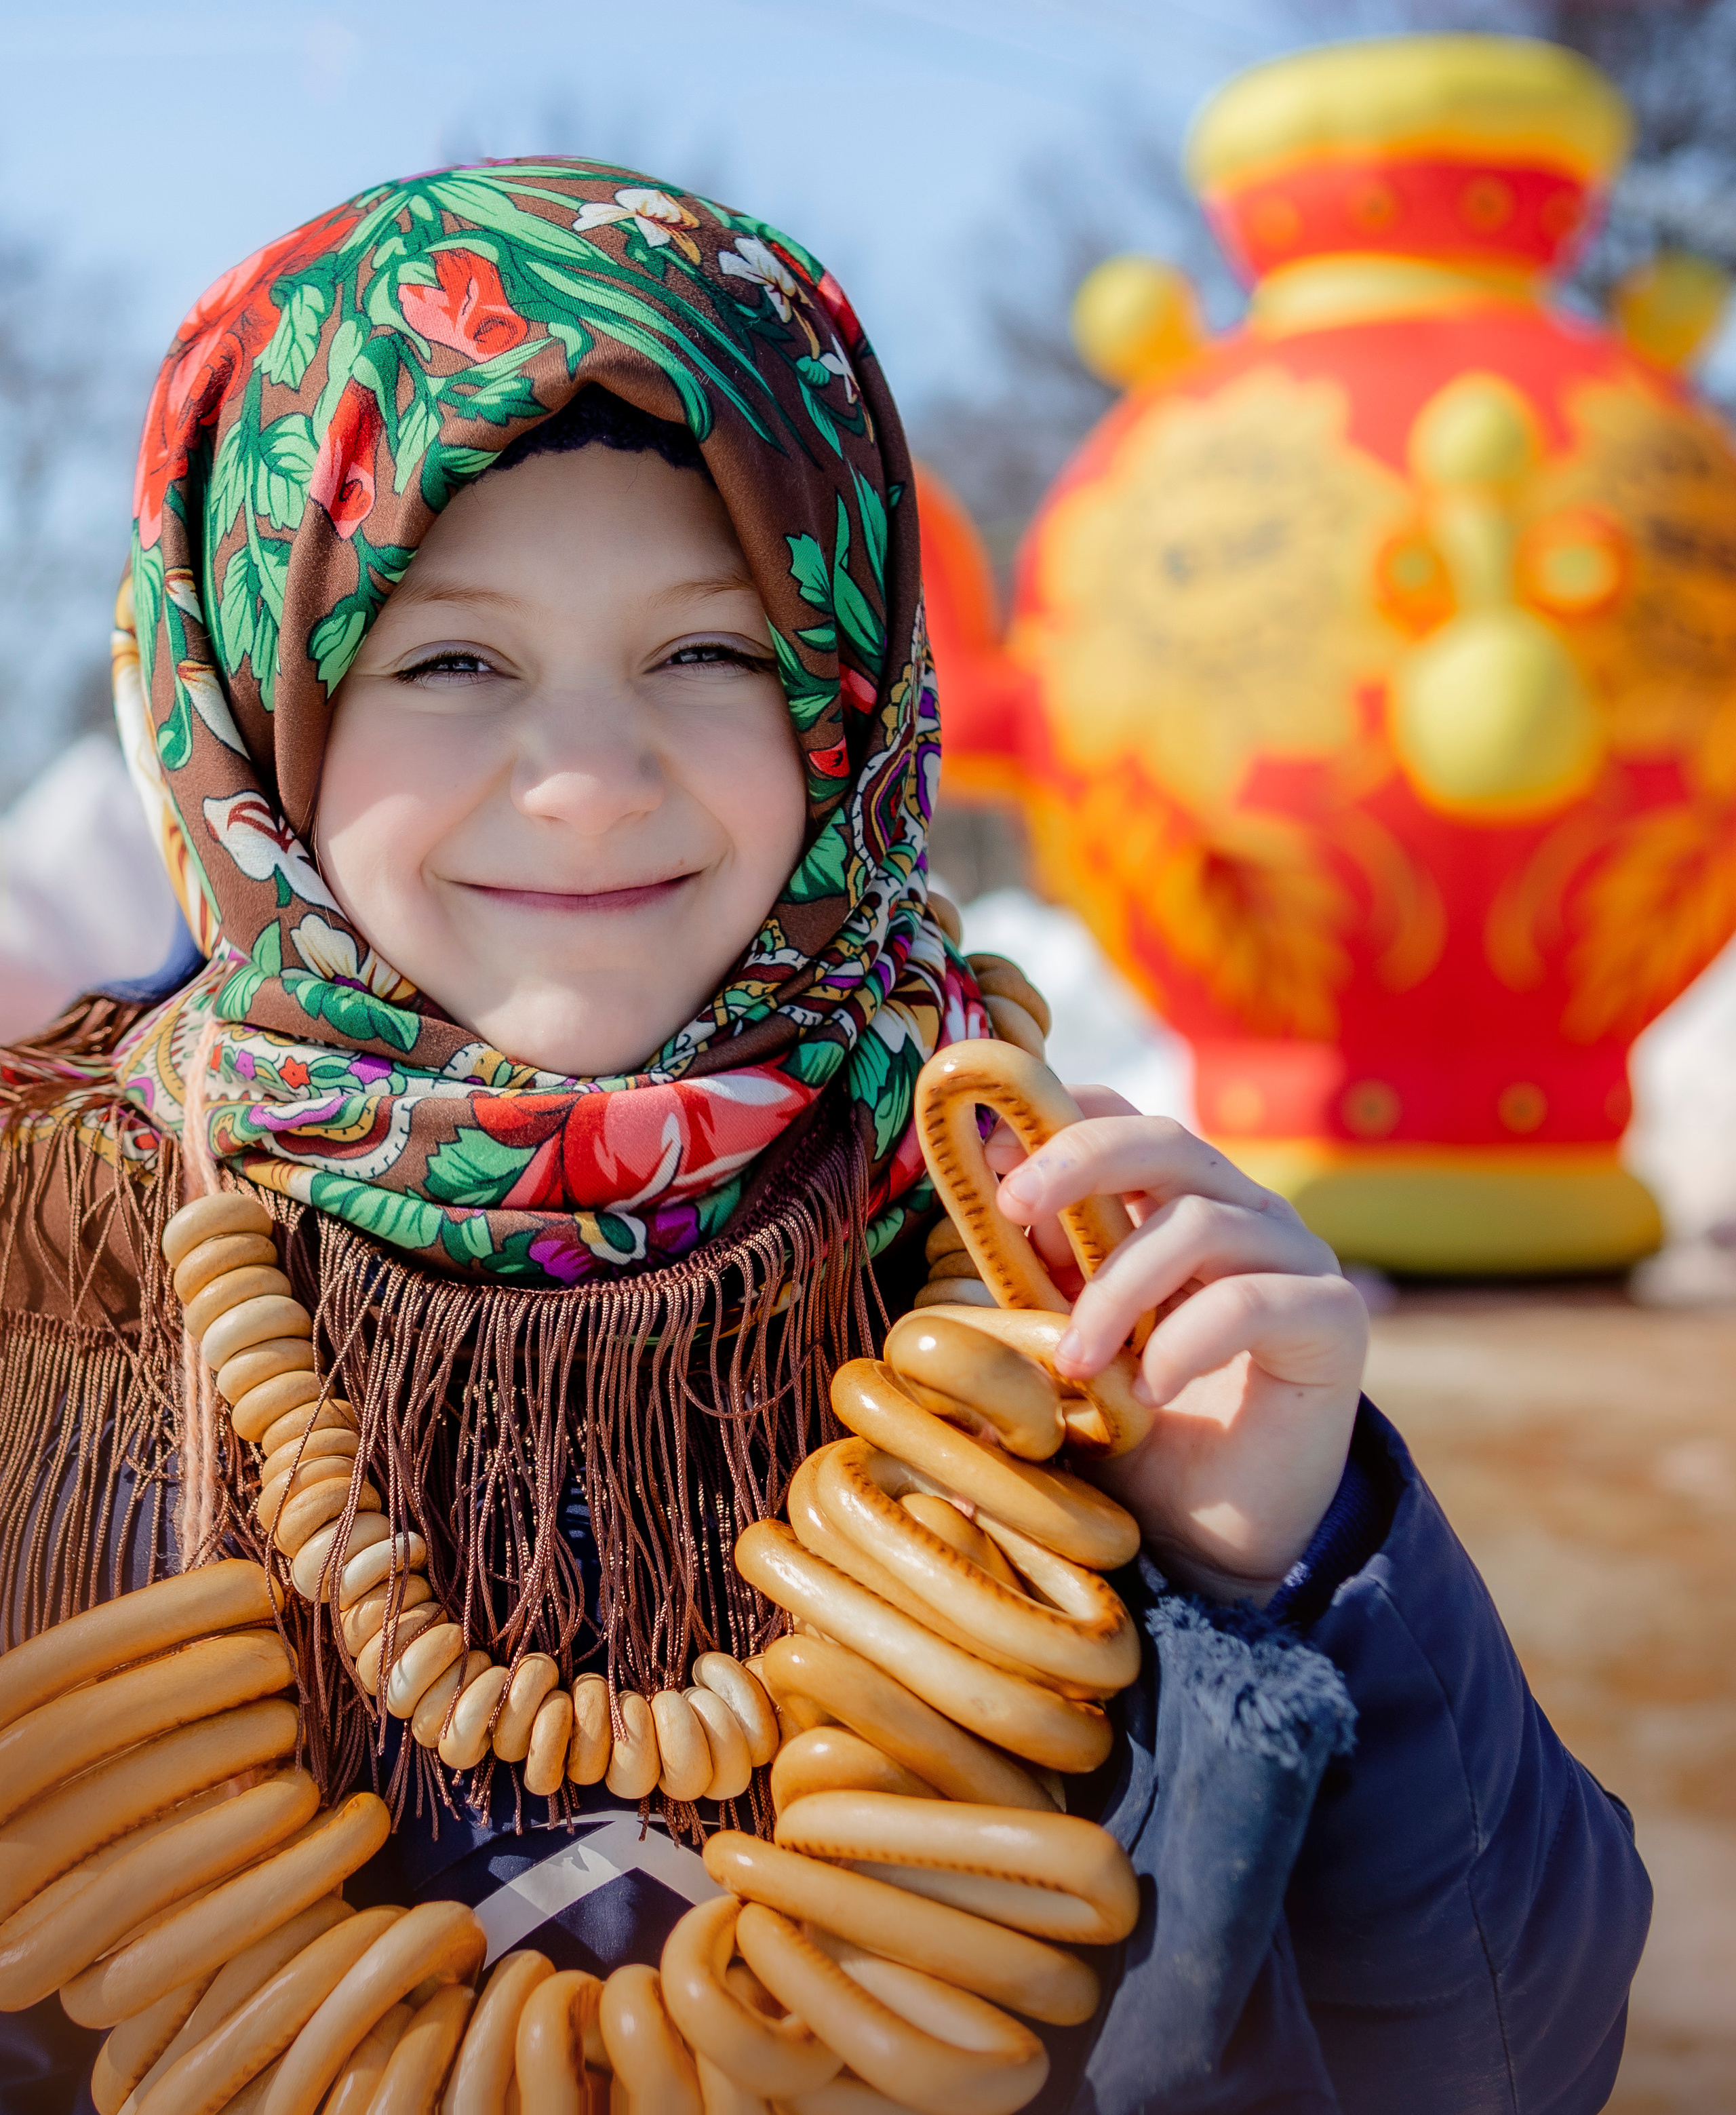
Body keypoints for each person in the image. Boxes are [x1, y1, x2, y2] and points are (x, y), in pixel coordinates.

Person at [0, 162, 1648, 2114]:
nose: (592, 781)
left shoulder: (1056, 1279)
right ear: (247, 702)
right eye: (450, 662)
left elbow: (1507, 2059)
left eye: (713, 652)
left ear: (857, 684)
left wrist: (1284, 1573)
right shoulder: (47, 1282)